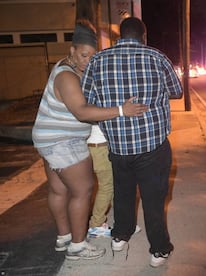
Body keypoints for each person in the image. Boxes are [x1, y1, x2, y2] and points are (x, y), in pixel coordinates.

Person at [32, 20, 148, 261]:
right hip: (64, 141)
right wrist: (121, 110)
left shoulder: (66, 68)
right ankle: (77, 245)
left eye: (92, 56)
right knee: (83, 190)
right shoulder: (67, 77)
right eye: (84, 55)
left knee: (59, 190)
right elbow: (82, 112)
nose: (88, 60)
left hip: (47, 138)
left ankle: (63, 237)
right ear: (72, 50)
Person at [81, 17, 182, 267]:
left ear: (119, 37)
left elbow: (86, 100)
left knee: (123, 193)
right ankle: (158, 250)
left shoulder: (97, 61)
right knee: (153, 200)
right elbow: (177, 91)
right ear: (143, 37)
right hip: (153, 146)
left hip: (117, 146)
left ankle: (120, 235)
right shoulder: (157, 57)